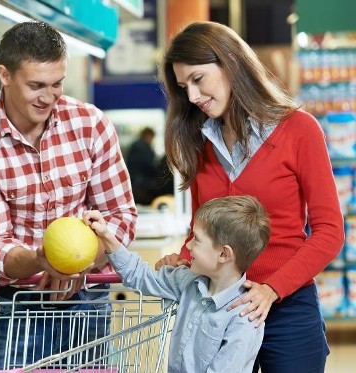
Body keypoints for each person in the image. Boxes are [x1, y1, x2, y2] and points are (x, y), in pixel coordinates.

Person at [155, 21, 344, 373]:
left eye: (198, 79)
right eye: (184, 87)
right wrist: (184, 257)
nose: (192, 97)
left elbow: (330, 232)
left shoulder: (299, 130)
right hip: (219, 307)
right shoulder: (201, 142)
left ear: (230, 62)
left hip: (287, 307)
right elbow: (203, 228)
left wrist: (272, 288)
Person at [0, 21, 137, 369]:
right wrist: (42, 261)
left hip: (88, 301)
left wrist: (78, 262)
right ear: (4, 75)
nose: (49, 97)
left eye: (57, 84)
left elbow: (121, 215)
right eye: (36, 85)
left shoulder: (90, 124)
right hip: (19, 306)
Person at [85, 195, 271, 372]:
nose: (188, 246)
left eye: (196, 239)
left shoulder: (245, 318)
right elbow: (139, 275)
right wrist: (106, 235)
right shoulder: (187, 280)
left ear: (223, 254)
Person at [126, 127, 157, 205]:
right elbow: (148, 164)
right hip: (142, 183)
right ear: (148, 135)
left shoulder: (136, 145)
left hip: (135, 181)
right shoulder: (143, 147)